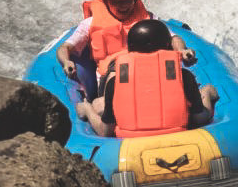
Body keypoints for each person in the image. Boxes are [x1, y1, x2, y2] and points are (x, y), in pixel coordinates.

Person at [56, 0, 195, 92]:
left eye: (127, 1)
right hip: (112, 79)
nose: (123, 6)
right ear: (105, 1)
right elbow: (65, 47)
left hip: (148, 72)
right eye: (116, 2)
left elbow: (173, 38)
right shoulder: (90, 24)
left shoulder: (148, 18)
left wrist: (182, 50)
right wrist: (66, 62)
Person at [76, 19, 218, 138]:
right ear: (167, 46)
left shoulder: (116, 81)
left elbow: (105, 131)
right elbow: (199, 119)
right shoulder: (184, 76)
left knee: (96, 104)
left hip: (129, 142)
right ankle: (206, 92)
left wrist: (88, 110)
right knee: (207, 91)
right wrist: (207, 98)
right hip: (176, 135)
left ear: (130, 48)